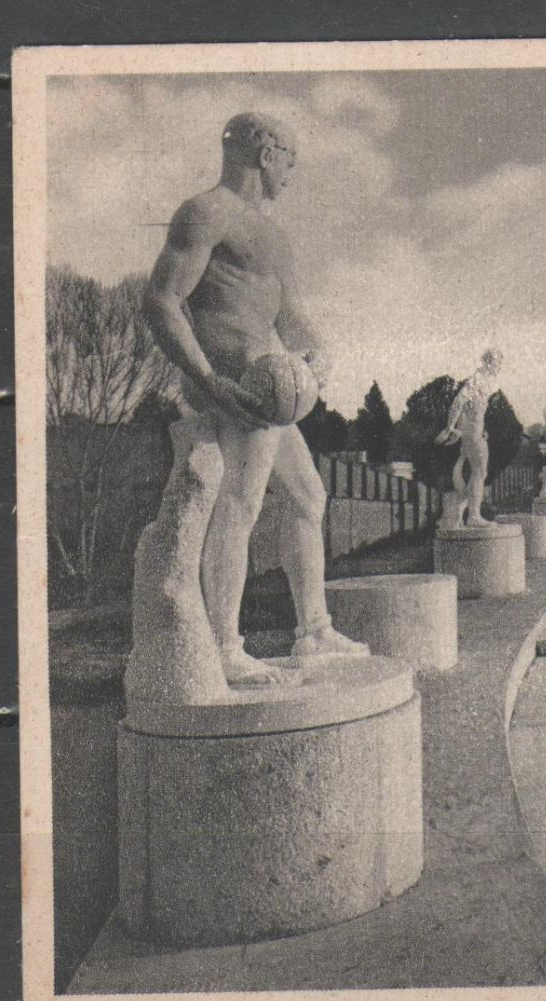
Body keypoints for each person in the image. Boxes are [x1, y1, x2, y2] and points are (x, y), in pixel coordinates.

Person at [143, 111, 365, 687]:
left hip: (271, 389)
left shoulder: (272, 232)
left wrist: (317, 352)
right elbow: (162, 301)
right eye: (289, 160)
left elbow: (288, 314)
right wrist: (207, 378)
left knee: (308, 496)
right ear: (267, 155)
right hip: (234, 390)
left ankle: (313, 630)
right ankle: (222, 646)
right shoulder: (206, 211)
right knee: (239, 507)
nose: (292, 173)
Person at [435, 349, 503, 527]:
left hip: (474, 433)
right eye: (497, 363)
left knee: (479, 472)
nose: (499, 367)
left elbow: (471, 411)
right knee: (479, 472)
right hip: (472, 435)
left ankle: (464, 511)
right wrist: (450, 427)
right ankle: (473, 516)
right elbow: (459, 402)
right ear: (489, 363)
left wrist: (479, 429)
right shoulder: (477, 379)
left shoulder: (485, 381)